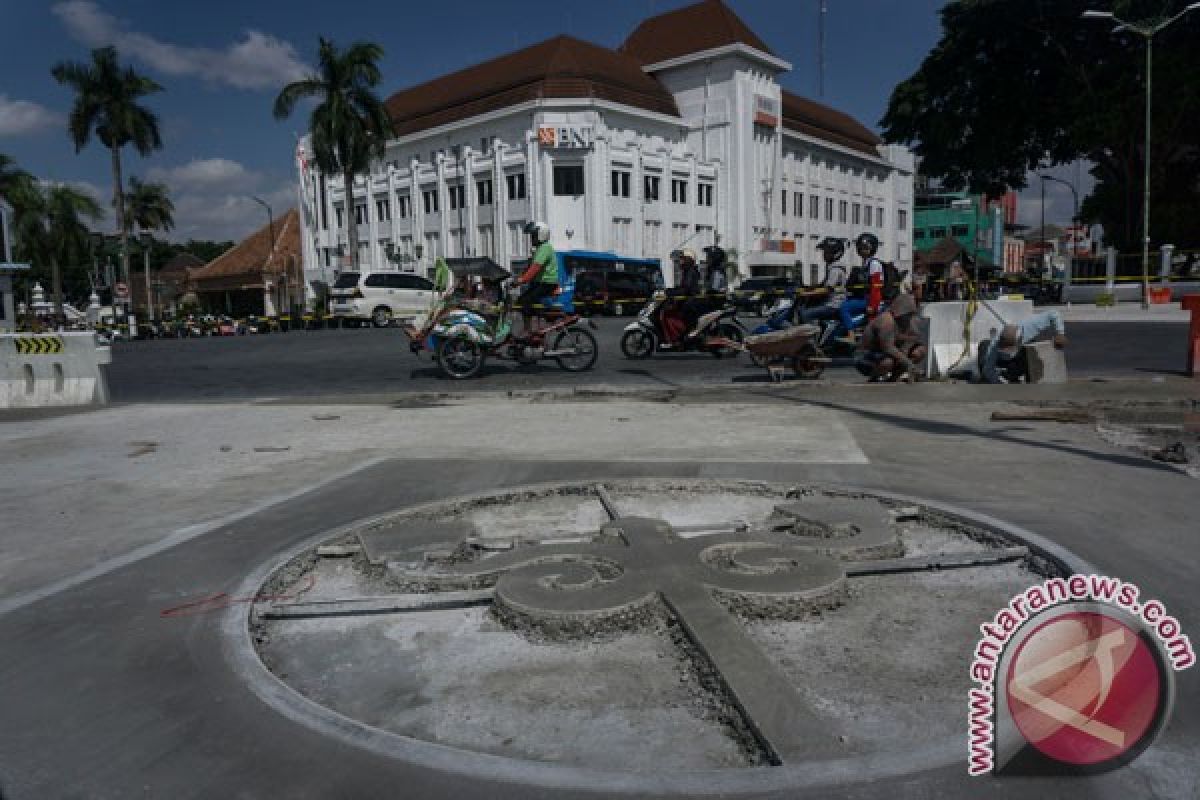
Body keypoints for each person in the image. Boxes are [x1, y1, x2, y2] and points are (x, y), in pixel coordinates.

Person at [977, 310, 1067, 384]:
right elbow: (988, 368)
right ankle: (990, 378)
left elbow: (1053, 314)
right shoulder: (994, 345)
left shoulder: (1030, 326)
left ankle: (1012, 375)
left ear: (1018, 340)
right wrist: (998, 383)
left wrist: (1060, 333)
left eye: (1009, 348)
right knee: (984, 344)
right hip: (1000, 360)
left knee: (1030, 352)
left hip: (1018, 356)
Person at [854, 292, 926, 382]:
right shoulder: (886, 321)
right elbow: (888, 347)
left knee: (920, 351)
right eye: (909, 314)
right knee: (888, 362)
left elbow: (914, 336)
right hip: (865, 355)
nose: (910, 317)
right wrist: (908, 363)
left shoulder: (908, 321)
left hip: (885, 353)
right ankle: (873, 378)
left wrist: (905, 349)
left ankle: (893, 378)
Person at [512, 220, 557, 334]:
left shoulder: (545, 248)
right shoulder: (539, 249)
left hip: (547, 283)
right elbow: (530, 268)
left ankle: (528, 330)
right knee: (522, 300)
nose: (532, 238)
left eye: (534, 235)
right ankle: (533, 327)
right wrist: (518, 278)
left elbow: (535, 268)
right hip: (540, 283)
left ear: (541, 234)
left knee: (525, 300)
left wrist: (522, 280)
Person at [839, 232, 886, 341]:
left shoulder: (874, 264)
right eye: (860, 247)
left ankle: (851, 335)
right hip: (866, 297)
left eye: (864, 247)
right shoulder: (866, 263)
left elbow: (876, 287)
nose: (861, 250)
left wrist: (873, 305)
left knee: (844, 307)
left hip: (871, 299)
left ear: (872, 248)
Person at [801, 237, 848, 329]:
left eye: (827, 252)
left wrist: (806, 294)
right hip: (828, 302)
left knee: (806, 314)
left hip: (833, 304)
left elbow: (827, 290)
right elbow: (823, 285)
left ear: (836, 253)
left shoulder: (836, 270)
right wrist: (809, 288)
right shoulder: (831, 267)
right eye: (824, 252)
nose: (824, 255)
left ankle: (811, 339)